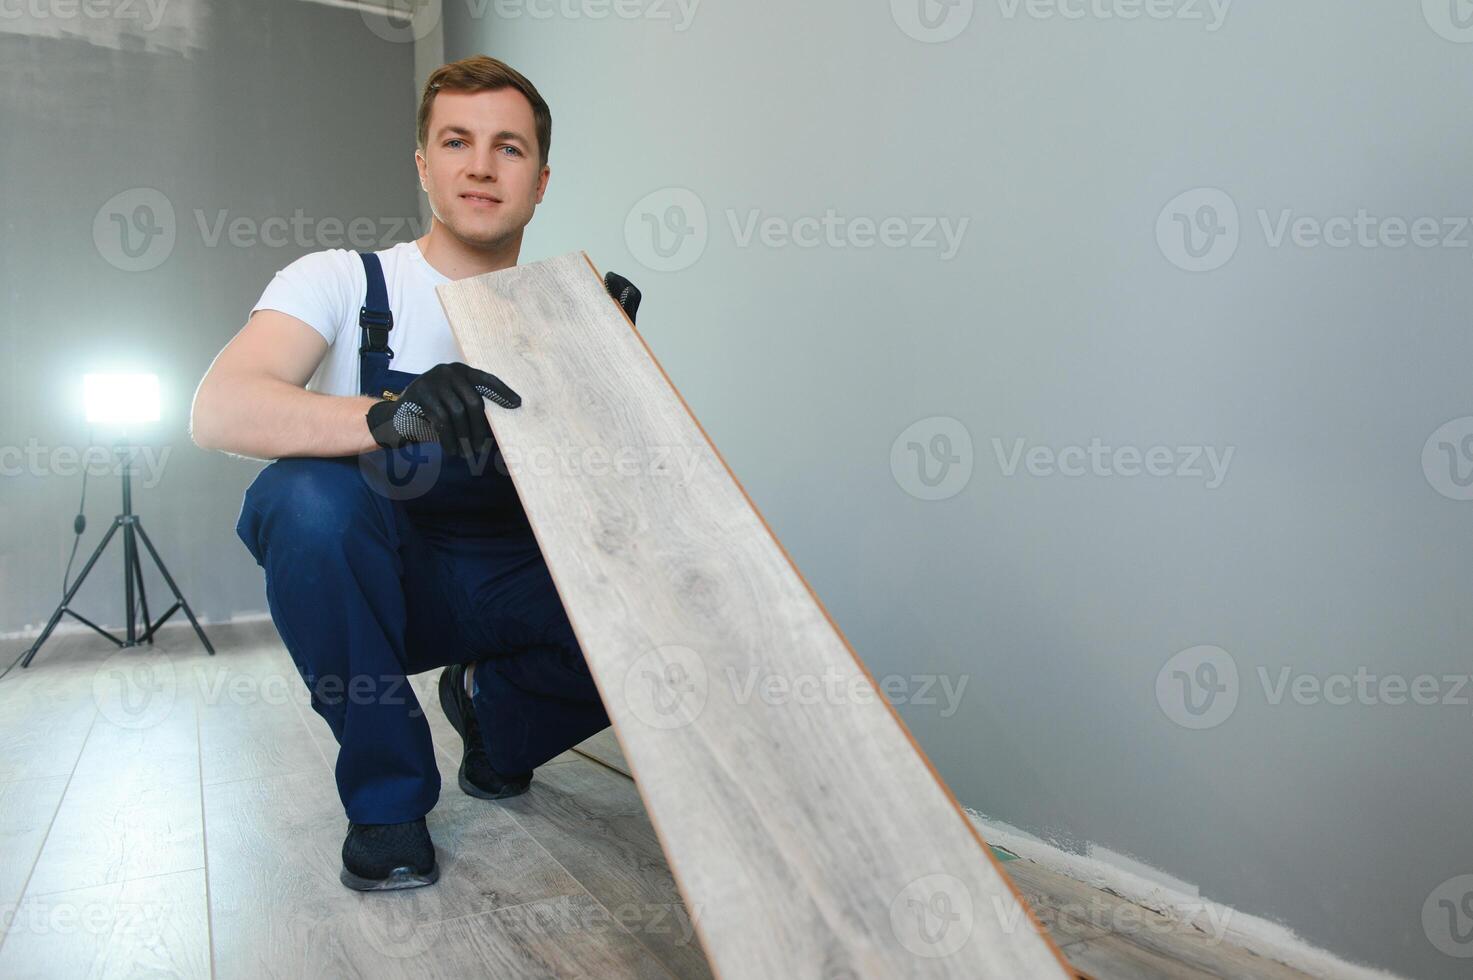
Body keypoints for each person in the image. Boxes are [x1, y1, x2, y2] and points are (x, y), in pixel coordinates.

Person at [189, 55, 640, 891]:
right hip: (381, 575)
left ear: (540, 181)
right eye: (456, 141)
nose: (479, 165)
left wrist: (610, 374)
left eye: (508, 148)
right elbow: (220, 409)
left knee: (658, 605)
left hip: (513, 568)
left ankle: (492, 720)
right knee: (304, 499)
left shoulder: (569, 314)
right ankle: (387, 801)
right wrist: (387, 416)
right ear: (424, 164)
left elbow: (613, 509)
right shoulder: (341, 280)